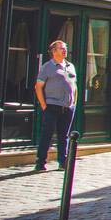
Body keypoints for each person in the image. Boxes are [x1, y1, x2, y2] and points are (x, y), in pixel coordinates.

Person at [34, 40, 78, 172]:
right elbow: (38, 87)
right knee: (46, 135)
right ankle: (40, 163)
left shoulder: (70, 66)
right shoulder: (47, 67)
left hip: (68, 107)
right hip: (52, 105)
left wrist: (74, 103)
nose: (65, 51)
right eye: (62, 48)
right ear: (54, 51)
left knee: (64, 135)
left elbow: (74, 86)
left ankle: (63, 162)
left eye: (65, 48)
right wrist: (44, 105)